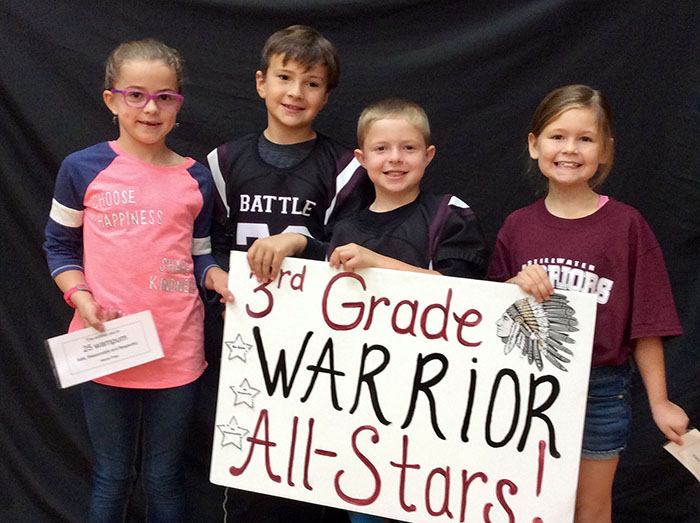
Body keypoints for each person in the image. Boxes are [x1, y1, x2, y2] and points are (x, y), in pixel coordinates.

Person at [247, 98, 489, 523]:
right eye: (381, 149)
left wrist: (380, 265)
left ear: (428, 155)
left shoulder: (448, 215)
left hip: (433, 409)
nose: (394, 159)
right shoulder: (346, 227)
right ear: (361, 158)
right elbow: (321, 275)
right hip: (362, 414)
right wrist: (294, 240)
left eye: (408, 148)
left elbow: (471, 302)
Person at [43, 38, 233, 523]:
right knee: (112, 475)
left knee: (163, 477)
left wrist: (216, 278)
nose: (151, 108)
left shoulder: (197, 178)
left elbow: (199, 254)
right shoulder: (81, 168)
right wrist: (79, 296)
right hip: (107, 343)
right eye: (136, 95)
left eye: (165, 97)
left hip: (177, 346)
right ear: (111, 99)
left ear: (177, 104)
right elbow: (59, 247)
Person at [487, 84, 689, 523]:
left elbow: (646, 323)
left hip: (602, 389)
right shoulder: (517, 226)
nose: (570, 149)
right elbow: (489, 318)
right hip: (526, 387)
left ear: (605, 149)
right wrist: (512, 286)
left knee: (590, 509)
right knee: (528, 503)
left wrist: (659, 401)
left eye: (585, 138)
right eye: (558, 136)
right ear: (534, 144)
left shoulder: (626, 225)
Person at [203, 25, 373, 523]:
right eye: (284, 77)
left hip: (316, 343)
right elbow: (205, 245)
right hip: (240, 336)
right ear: (261, 83)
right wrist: (215, 277)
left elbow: (351, 250)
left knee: (314, 462)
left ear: (326, 95)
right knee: (249, 467)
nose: (295, 93)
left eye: (312, 82)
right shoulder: (224, 161)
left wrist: (299, 239)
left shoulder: (345, 167)